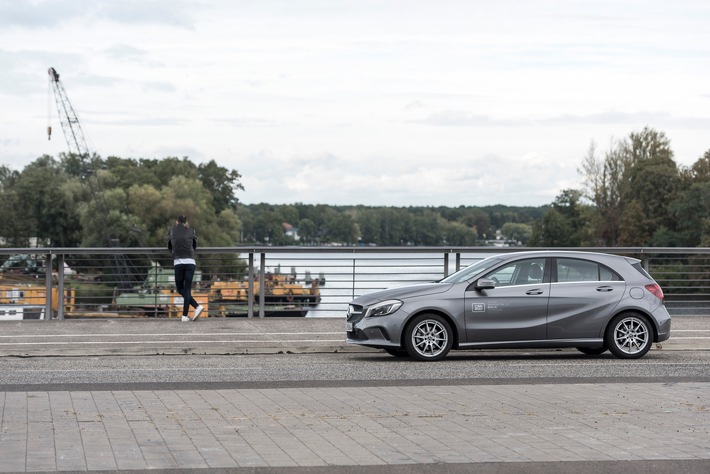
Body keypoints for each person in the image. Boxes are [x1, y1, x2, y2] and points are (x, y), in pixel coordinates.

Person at [167, 215, 205, 322]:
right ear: (186, 222)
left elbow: (169, 246)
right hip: (190, 262)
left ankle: (188, 313)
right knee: (187, 289)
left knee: (180, 289)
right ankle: (193, 309)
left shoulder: (172, 231)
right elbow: (194, 245)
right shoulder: (191, 231)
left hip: (178, 262)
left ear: (176, 221)